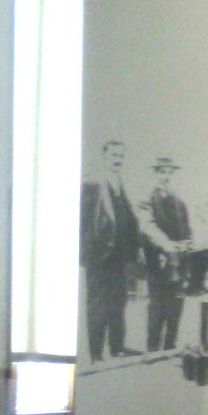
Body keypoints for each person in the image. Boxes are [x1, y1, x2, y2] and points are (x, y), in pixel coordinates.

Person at [80, 139, 140, 362]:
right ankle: (96, 354)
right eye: (113, 155)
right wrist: (88, 253)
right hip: (99, 257)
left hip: (119, 257)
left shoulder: (119, 182)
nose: (117, 160)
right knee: (98, 305)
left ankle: (117, 348)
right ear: (104, 157)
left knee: (118, 302)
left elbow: (127, 218)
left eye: (121, 156)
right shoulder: (92, 183)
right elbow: (82, 222)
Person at [137, 156, 192, 351]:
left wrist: (187, 243)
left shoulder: (179, 202)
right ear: (155, 174)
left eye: (170, 172)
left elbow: (186, 229)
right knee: (157, 305)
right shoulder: (147, 200)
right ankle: (152, 349)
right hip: (157, 260)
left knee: (175, 304)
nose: (166, 176)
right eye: (162, 172)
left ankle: (170, 346)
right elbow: (147, 226)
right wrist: (167, 245)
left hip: (178, 261)